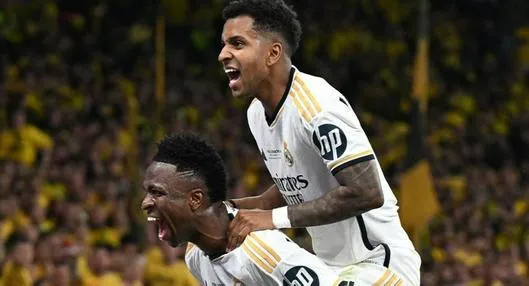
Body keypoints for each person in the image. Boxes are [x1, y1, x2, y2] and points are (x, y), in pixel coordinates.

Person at [217, 0, 421, 284]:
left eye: (237, 44)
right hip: (331, 269)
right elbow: (286, 189)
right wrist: (216, 210)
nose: (223, 54)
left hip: (379, 265)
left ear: (272, 53)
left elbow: (367, 192)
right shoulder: (256, 114)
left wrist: (271, 220)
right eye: (225, 44)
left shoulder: (317, 106)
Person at [141, 133, 356, 285]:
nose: (145, 203)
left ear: (196, 199)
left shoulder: (263, 252)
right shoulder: (194, 255)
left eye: (157, 193)